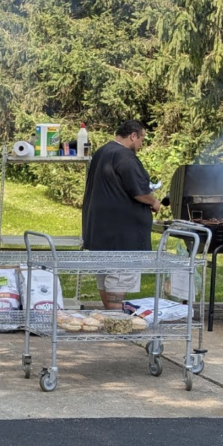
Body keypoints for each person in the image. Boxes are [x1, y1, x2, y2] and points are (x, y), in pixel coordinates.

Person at [81, 120, 162, 310]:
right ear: (133, 135)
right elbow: (139, 192)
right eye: (141, 139)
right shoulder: (125, 157)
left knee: (104, 277)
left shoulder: (101, 152)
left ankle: (110, 317)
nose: (141, 144)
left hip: (100, 231)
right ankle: (116, 320)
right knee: (119, 276)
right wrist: (154, 202)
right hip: (122, 235)